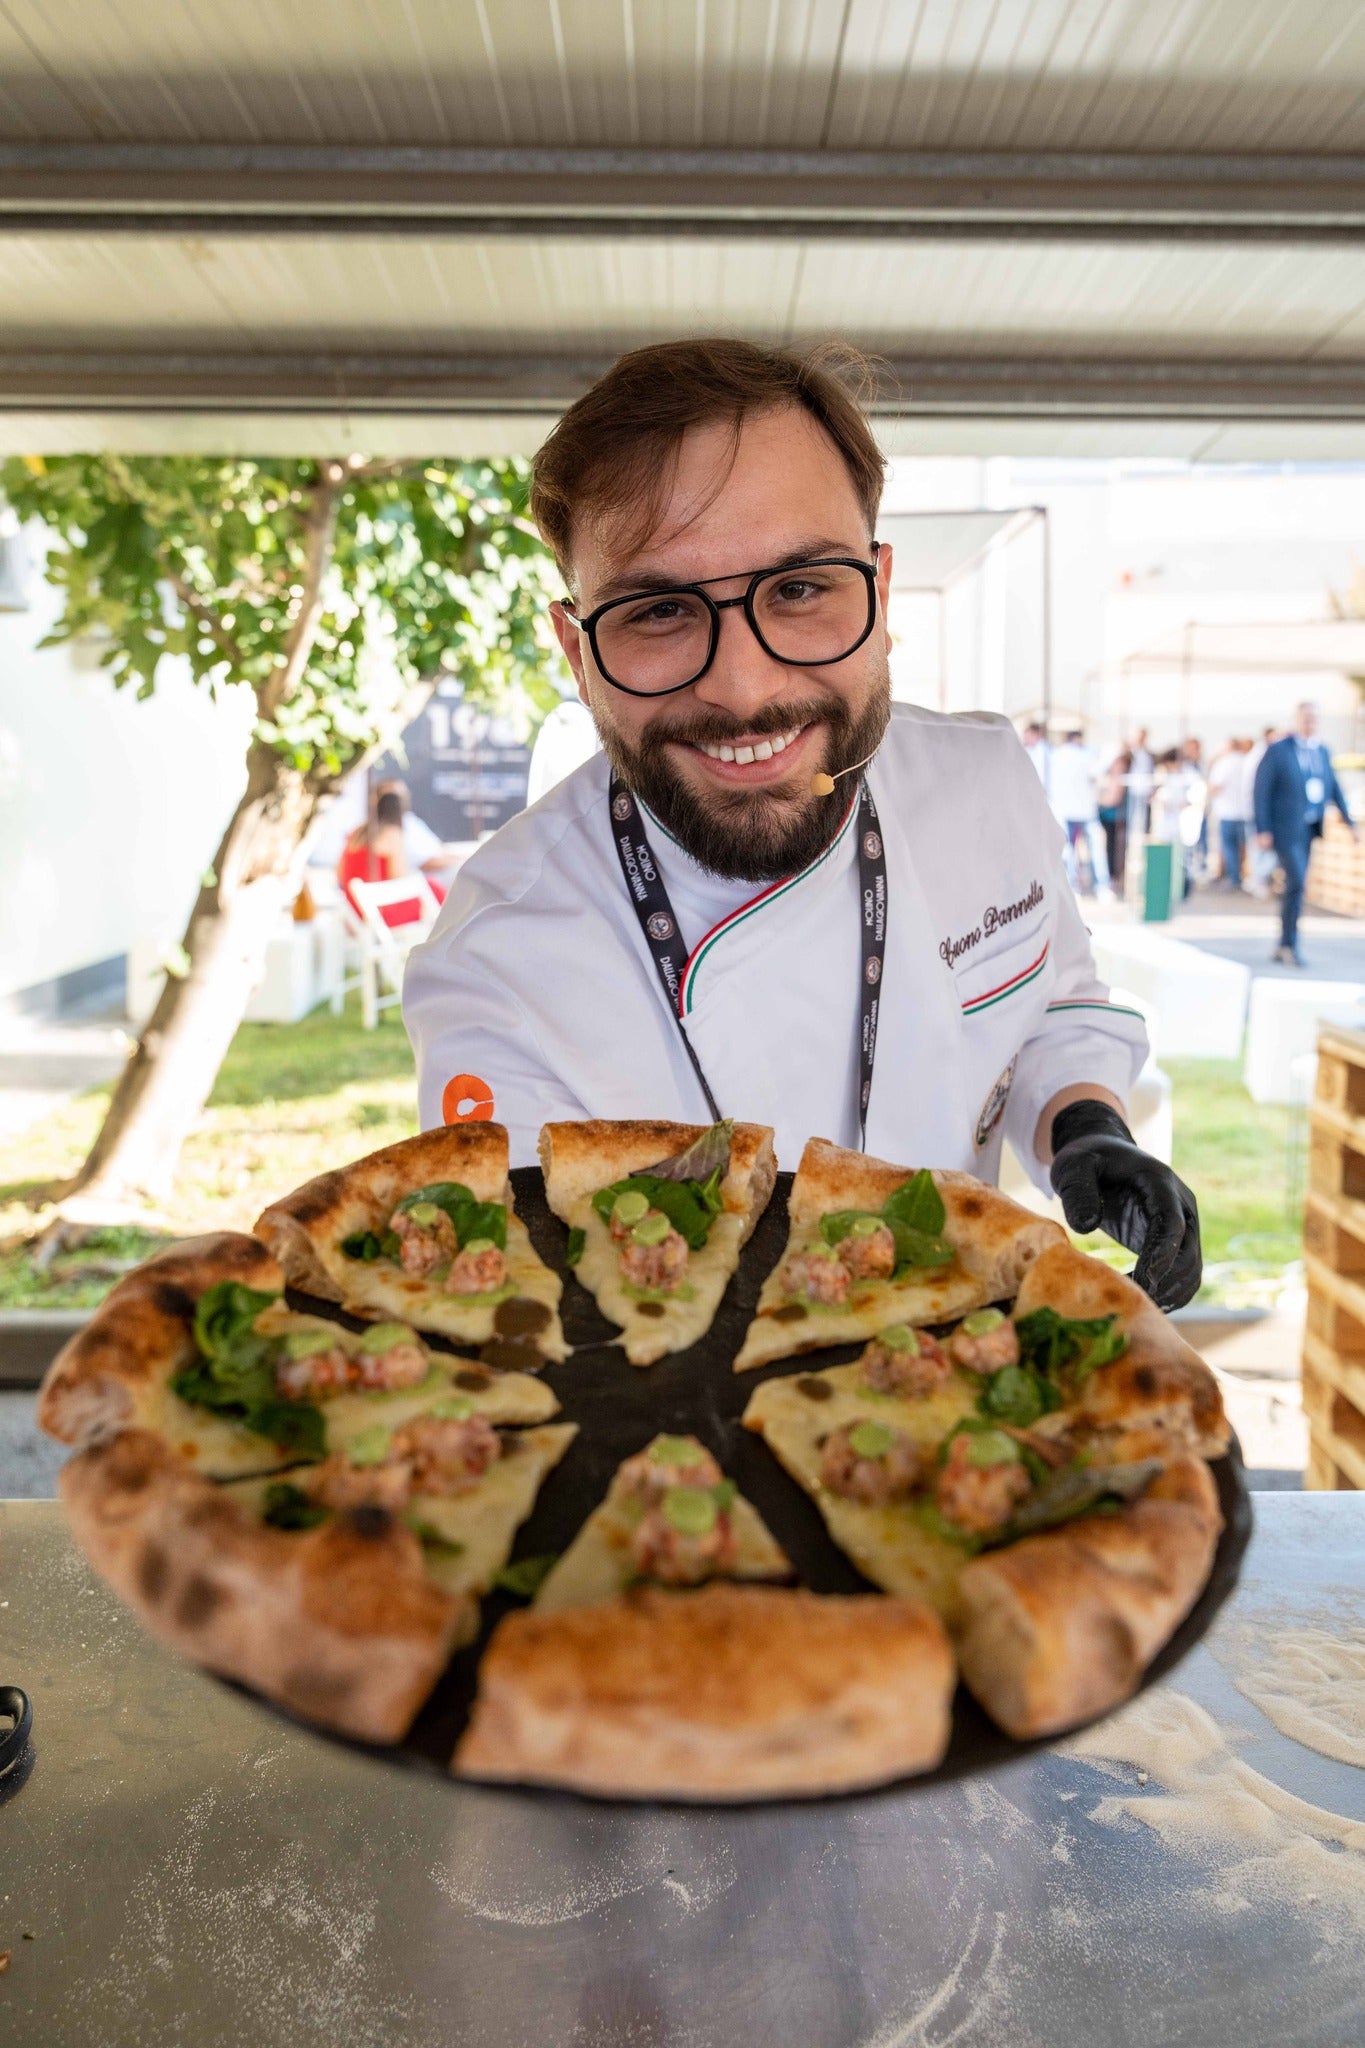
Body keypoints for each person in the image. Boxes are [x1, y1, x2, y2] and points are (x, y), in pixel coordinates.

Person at [404, 337, 1201, 1308]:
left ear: (879, 586)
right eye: (659, 610)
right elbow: (524, 1305)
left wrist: (1083, 1123)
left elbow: (1049, 1005)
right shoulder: (499, 960)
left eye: (800, 589)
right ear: (577, 649)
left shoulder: (983, 786)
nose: (745, 689)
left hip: (969, 1398)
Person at [1253, 700, 1357, 966]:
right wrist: (1262, 828)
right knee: (1297, 882)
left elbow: (1334, 789)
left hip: (1310, 828)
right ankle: (1290, 943)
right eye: (1306, 717)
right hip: (1284, 829)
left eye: (1314, 718)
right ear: (1296, 719)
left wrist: (1350, 823)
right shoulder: (1278, 750)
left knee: (1295, 886)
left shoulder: (1322, 751)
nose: (1310, 722)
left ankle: (1283, 944)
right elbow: (1261, 791)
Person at [337, 791, 446, 928]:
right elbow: (399, 878)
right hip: (379, 911)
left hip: (357, 910)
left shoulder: (357, 833)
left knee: (431, 888)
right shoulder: (391, 834)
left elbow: (339, 874)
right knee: (433, 888)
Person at [1047, 730, 1112, 897]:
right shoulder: (1086, 755)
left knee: (1070, 851)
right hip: (1083, 810)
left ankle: (1073, 886)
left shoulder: (1057, 756)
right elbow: (1097, 773)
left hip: (1067, 809)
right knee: (1091, 850)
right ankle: (1100, 886)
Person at [1205, 738, 1246, 888]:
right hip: (1244, 811)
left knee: (1228, 846)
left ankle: (1233, 877)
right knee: (1241, 846)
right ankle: (1237, 875)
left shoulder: (1224, 763)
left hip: (1227, 811)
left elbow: (1214, 786)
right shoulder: (1246, 761)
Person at [1097, 746, 1131, 897]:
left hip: (1117, 818)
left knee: (1116, 849)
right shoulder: (1109, 774)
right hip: (1108, 818)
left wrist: (1096, 800)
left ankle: (1114, 878)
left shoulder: (1121, 776)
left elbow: (1113, 798)